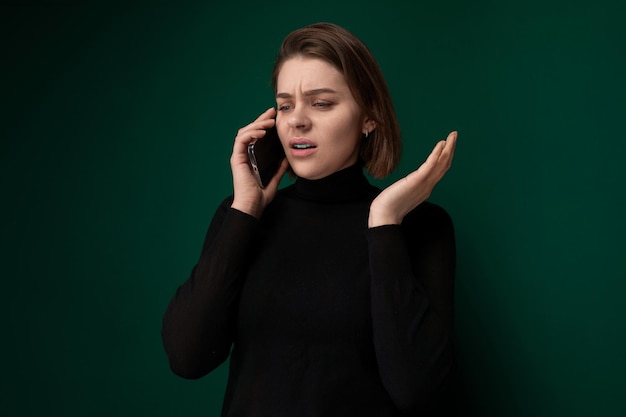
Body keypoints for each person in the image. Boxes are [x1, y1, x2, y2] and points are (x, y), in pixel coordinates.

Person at [162, 22, 458, 417]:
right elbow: (187, 357)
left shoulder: (420, 227)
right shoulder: (243, 217)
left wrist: (384, 223)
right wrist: (244, 210)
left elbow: (415, 390)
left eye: (321, 103)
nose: (297, 121)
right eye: (285, 105)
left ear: (368, 117)